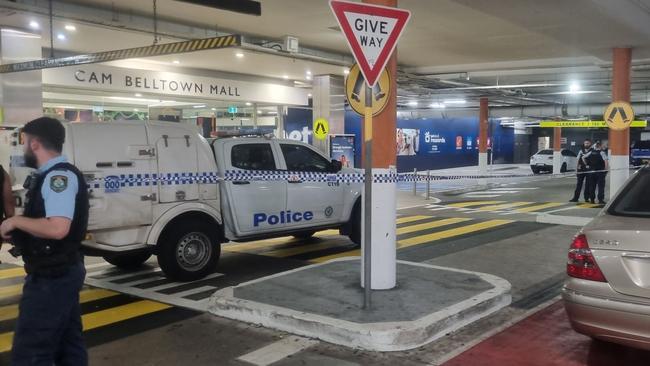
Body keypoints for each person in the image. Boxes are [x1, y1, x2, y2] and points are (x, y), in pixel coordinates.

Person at [0, 117, 89, 365]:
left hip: (53, 275)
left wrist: (15, 222)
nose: (22, 149)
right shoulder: (49, 175)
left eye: (24, 142)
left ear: (35, 143)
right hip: (61, 269)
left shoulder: (57, 178)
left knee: (30, 350)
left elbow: (58, 228)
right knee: (68, 344)